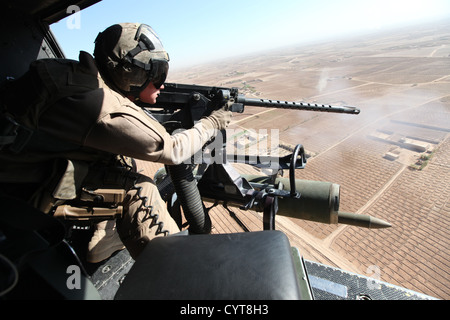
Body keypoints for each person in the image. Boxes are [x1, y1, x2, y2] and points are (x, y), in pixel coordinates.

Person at [0, 23, 232, 262]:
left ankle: (107, 232)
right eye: (157, 74)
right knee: (141, 190)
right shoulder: (102, 106)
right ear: (130, 73)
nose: (162, 84)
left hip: (22, 167)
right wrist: (213, 122)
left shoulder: (75, 75)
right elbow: (172, 150)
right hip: (20, 191)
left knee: (121, 161)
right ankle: (183, 273)